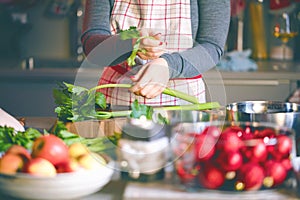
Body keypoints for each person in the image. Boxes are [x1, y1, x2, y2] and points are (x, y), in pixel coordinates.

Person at [81, 0, 230, 106]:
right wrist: (129, 43)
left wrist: (167, 65)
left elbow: (211, 47)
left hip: (184, 103)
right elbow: (91, 45)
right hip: (115, 101)